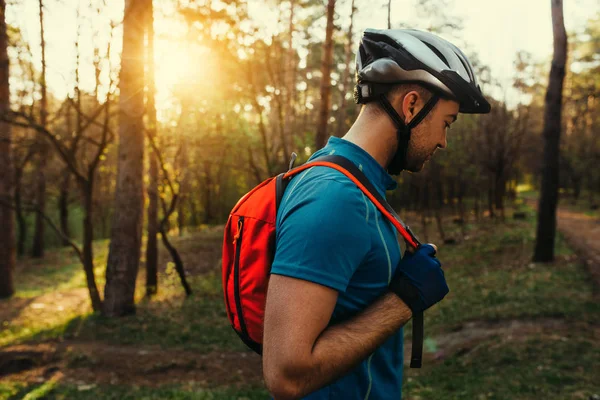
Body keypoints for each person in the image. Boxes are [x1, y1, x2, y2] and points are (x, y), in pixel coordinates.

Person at [262, 28, 491, 400]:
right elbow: (286, 375)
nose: (443, 142)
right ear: (412, 105)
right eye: (446, 123)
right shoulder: (335, 199)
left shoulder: (360, 184)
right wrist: (403, 300)